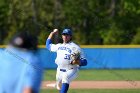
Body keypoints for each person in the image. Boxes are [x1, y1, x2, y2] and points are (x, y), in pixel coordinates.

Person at [46, 28, 87, 93]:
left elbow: (85, 62)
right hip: (59, 70)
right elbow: (48, 45)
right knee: (59, 86)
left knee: (65, 78)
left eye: (67, 35)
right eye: (64, 34)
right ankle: (56, 84)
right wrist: (52, 33)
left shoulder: (76, 47)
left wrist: (77, 61)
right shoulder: (59, 46)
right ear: (62, 36)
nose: (65, 36)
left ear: (70, 36)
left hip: (71, 69)